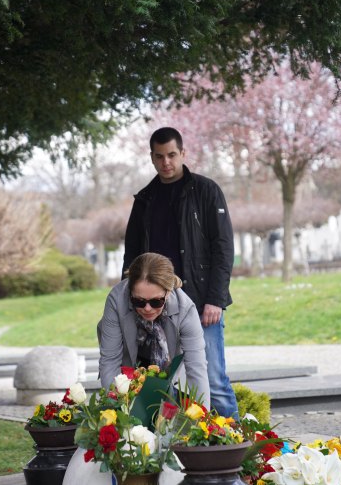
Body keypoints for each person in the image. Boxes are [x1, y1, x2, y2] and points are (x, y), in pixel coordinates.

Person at [122, 127, 238, 417]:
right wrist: (132, 303)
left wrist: (216, 299)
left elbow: (223, 248)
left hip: (201, 303)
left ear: (183, 153)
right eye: (159, 156)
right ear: (151, 157)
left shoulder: (206, 191)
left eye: (172, 155)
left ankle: (238, 450)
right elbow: (131, 258)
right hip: (155, 308)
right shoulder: (145, 199)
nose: (166, 162)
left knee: (214, 380)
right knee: (160, 384)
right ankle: (172, 453)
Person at [98, 252, 210, 405]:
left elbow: (197, 368)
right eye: (139, 301)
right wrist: (117, 409)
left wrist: (201, 418)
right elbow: (110, 361)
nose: (148, 308)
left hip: (166, 375)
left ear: (168, 292)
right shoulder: (116, 301)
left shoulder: (186, 309)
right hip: (125, 371)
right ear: (130, 293)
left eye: (156, 302)